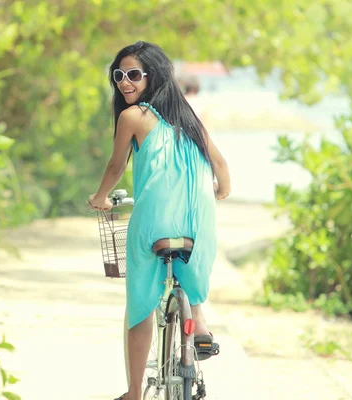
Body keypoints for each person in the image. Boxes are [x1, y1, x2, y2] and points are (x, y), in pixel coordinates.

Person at [87, 41, 231, 400]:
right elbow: (222, 166)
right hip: (199, 222)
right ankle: (199, 321)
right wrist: (220, 191)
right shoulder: (189, 119)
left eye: (133, 74)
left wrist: (100, 197)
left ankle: (134, 392)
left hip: (153, 221)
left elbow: (116, 166)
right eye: (118, 75)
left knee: (140, 306)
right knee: (191, 264)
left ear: (154, 77)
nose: (124, 82)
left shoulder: (132, 117)